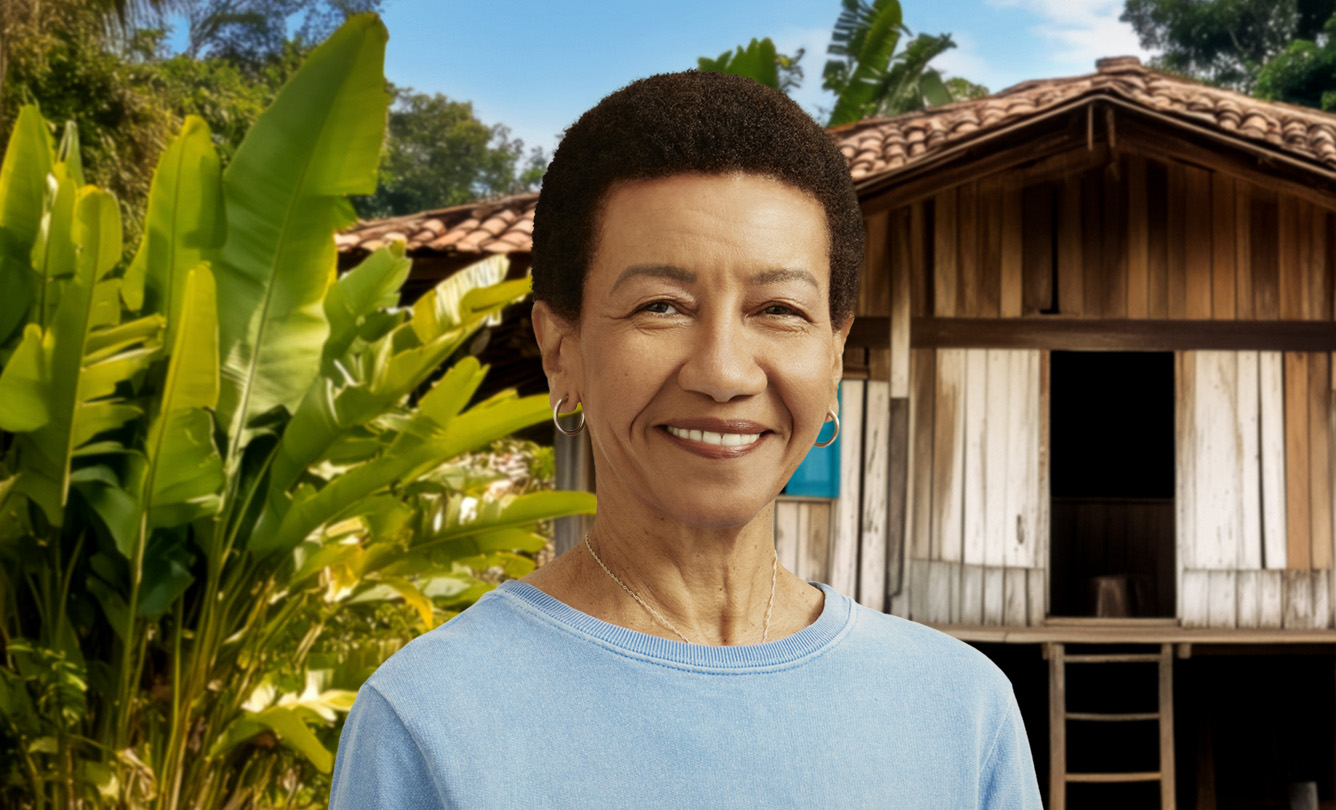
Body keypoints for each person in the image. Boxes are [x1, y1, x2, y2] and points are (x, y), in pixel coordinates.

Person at [328, 70, 1042, 809]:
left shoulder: (961, 714)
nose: (724, 372)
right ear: (560, 350)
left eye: (779, 309)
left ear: (832, 355)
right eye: (661, 306)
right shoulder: (430, 720)